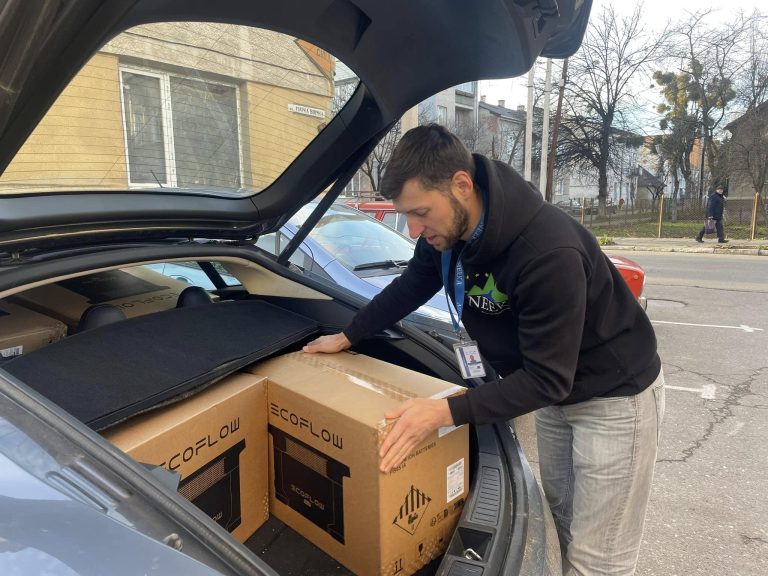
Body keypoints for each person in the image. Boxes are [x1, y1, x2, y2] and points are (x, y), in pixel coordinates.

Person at [303, 124, 664, 576]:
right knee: (560, 519)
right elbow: (411, 286)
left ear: (461, 185)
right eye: (406, 216)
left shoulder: (546, 251)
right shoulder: (447, 233)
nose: (413, 229)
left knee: (598, 559)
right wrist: (348, 336)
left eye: (420, 213)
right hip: (554, 394)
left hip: (613, 398)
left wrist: (443, 413)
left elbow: (548, 379)